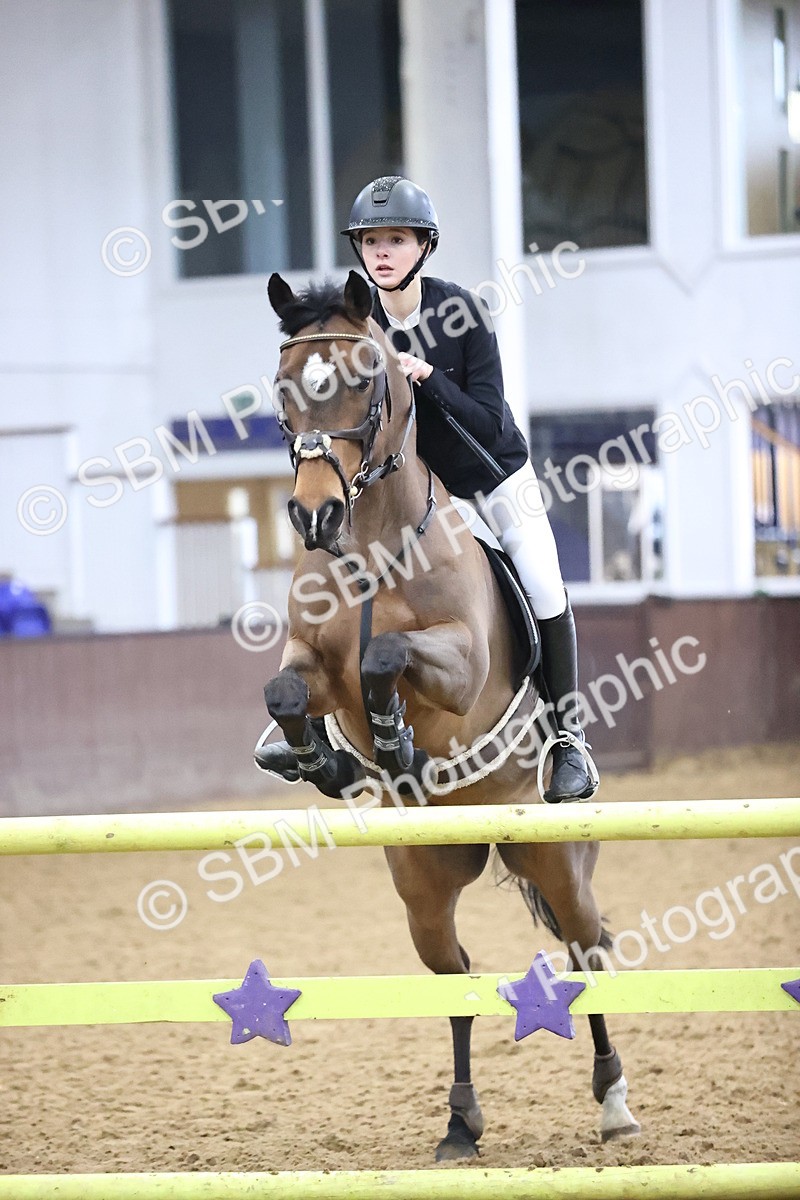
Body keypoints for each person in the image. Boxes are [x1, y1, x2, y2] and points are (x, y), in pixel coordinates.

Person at [257, 176, 596, 803]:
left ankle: (568, 738)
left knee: (545, 582)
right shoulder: (353, 329)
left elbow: (489, 421)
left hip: (488, 477)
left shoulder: (461, 313)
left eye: (397, 240)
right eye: (371, 242)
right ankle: (307, 722)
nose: (382, 252)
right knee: (333, 566)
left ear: (424, 247)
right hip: (407, 488)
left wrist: (430, 377)